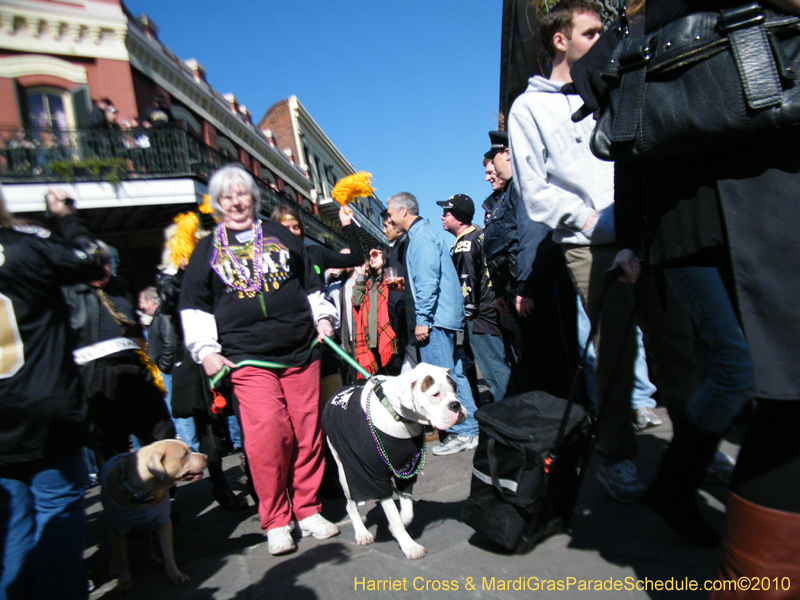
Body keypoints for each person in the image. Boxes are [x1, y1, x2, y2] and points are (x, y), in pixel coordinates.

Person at [592, 0, 799, 577]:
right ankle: (677, 485)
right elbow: (627, 145)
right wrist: (631, 239)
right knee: (744, 370)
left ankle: (682, 485)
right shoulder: (637, 34)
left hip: (746, 198)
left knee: (760, 372)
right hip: (689, 218)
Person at [507, 0, 698, 503]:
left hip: (646, 229)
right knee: (615, 352)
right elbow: (534, 191)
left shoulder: (617, 80)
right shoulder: (529, 108)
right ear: (561, 40)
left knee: (675, 344)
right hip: (590, 244)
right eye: (590, 33)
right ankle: (616, 454)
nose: (602, 41)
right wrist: (591, 219)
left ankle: (694, 451)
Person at [179, 164, 340, 555]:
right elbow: (194, 305)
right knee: (267, 435)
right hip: (247, 358)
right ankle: (276, 520)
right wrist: (206, 351)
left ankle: (307, 509)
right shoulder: (206, 250)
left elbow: (310, 283)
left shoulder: (281, 235)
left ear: (254, 198)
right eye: (227, 196)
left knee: (307, 434)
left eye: (242, 194)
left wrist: (323, 318)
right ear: (217, 204)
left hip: (301, 350)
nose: (236, 202)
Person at [0, 186, 107, 599]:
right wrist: (65, 216)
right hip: (44, 405)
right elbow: (92, 259)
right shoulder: (23, 248)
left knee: (12, 525)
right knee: (57, 512)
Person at [385, 192, 480, 455]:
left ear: (404, 211)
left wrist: (423, 320)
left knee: (442, 381)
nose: (390, 219)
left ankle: (463, 432)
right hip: (443, 317)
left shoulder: (422, 237)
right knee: (455, 375)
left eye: (391, 213)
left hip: (436, 319)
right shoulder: (423, 235)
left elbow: (427, 282)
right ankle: (470, 429)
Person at [438, 194, 511, 405]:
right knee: (503, 366)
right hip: (493, 310)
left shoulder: (465, 245)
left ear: (460, 218)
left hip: (480, 319)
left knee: (496, 375)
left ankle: (510, 416)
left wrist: (465, 318)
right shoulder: (479, 235)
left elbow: (466, 288)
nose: (442, 217)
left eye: (447, 213)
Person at [139, 286, 200, 452]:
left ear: (152, 301)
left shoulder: (163, 316)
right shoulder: (157, 317)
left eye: (143, 302)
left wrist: (164, 366)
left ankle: (190, 450)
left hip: (167, 370)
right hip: (164, 369)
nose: (141, 306)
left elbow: (170, 343)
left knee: (178, 412)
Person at [351, 244, 400, 376]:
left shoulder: (391, 277)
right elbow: (356, 301)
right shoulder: (368, 283)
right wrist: (360, 277)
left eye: (374, 254)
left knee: (395, 376)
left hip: (391, 338)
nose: (371, 258)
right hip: (372, 340)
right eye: (369, 256)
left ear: (385, 255)